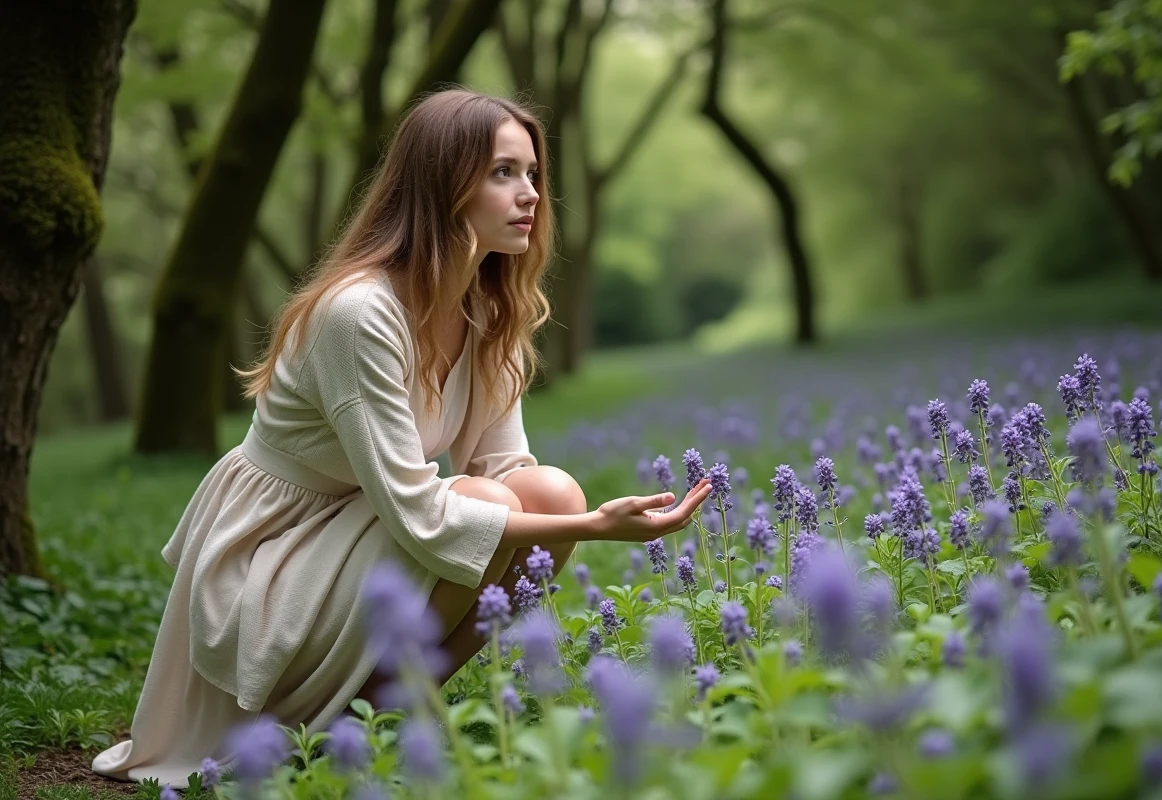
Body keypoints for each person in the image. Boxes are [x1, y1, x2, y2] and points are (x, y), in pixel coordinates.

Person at [91, 88, 712, 789]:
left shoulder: (489, 305)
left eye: (533, 173)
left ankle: (390, 710)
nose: (531, 193)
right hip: (273, 557)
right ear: (442, 184)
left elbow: (507, 467)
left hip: (364, 526)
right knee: (489, 505)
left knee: (544, 490)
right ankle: (332, 725)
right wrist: (594, 528)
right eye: (502, 172)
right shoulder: (359, 314)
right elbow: (420, 514)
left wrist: (569, 516)